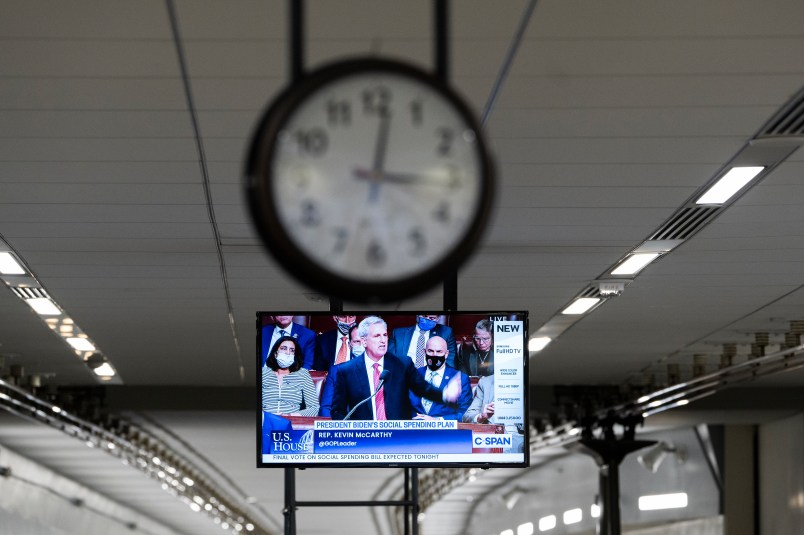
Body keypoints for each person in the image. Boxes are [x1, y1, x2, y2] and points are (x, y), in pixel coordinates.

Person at [331, 316, 462, 420]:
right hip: (365, 439)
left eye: (385, 335)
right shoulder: (347, 371)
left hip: (398, 438)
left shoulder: (402, 364)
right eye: (377, 336)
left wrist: (445, 394)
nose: (383, 340)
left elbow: (424, 389)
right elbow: (338, 411)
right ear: (364, 341)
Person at [409, 336, 473, 420]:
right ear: (424, 352)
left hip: (445, 431)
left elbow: (465, 414)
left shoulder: (460, 378)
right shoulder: (413, 374)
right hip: (413, 429)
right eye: (430, 351)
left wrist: (437, 421)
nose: (434, 355)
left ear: (446, 354)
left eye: (439, 351)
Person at [462, 375, 524, 453]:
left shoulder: (525, 379)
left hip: (519, 439)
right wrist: (481, 416)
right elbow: (467, 416)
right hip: (492, 440)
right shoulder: (485, 383)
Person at [262, 336, 320, 416]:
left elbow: (314, 408)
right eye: (283, 348)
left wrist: (291, 415)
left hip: (290, 422)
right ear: (275, 353)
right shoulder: (263, 372)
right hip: (265, 421)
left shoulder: (302, 374)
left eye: (292, 350)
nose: (287, 353)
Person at [319, 325, 364, 417]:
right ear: (349, 345)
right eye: (356, 342)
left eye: (364, 341)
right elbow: (326, 407)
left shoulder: (383, 371)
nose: (361, 345)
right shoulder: (336, 371)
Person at [388, 314, 458, 369]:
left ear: (438, 319)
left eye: (431, 318)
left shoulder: (446, 332)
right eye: (424, 316)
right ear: (418, 315)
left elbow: (450, 362)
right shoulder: (398, 333)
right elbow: (389, 360)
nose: (427, 319)